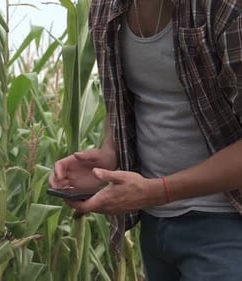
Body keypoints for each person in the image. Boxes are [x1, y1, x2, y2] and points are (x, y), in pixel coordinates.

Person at [49, 0, 242, 280]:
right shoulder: (105, 7)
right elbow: (125, 97)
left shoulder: (224, 8)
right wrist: (108, 155)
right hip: (155, 225)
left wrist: (156, 190)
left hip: (227, 227)